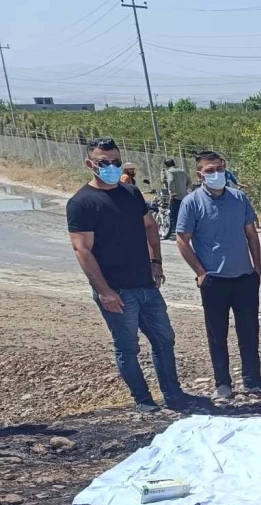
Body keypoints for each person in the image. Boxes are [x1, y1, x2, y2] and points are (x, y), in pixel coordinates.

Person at [66, 137, 190, 412]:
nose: (111, 166)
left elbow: (149, 227)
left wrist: (155, 261)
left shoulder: (131, 194)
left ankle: (174, 395)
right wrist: (104, 290)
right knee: (128, 347)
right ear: (90, 164)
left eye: (115, 162)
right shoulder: (82, 203)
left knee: (164, 340)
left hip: (146, 284)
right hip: (116, 291)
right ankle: (143, 400)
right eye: (103, 162)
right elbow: (82, 249)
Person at [175, 150, 261, 402]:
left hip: (244, 277)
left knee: (249, 331)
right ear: (200, 174)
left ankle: (252, 380)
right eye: (209, 170)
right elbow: (182, 240)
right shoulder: (191, 202)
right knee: (217, 334)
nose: (216, 174)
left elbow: (251, 234)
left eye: (219, 168)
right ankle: (223, 383)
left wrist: (256, 267)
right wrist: (200, 273)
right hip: (214, 281)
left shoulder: (239, 198)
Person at [162, 157, 190, 241]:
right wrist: (185, 189)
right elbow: (189, 181)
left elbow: (170, 181)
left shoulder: (170, 172)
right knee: (183, 213)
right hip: (184, 195)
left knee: (173, 214)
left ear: (166, 165)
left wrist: (171, 191)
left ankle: (174, 230)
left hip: (176, 196)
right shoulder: (182, 171)